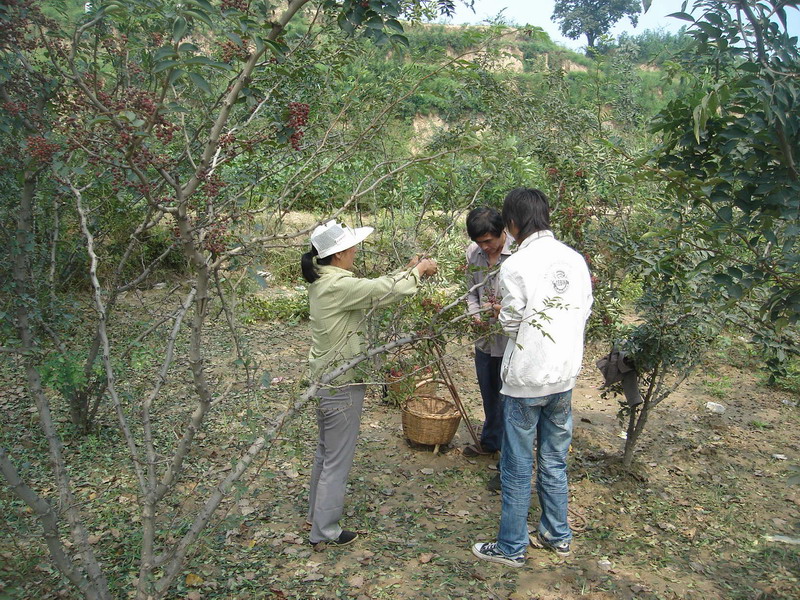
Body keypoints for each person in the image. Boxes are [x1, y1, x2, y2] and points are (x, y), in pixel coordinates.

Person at [472, 188, 593, 567]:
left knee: (518, 465)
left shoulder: (516, 265)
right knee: (554, 459)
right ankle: (557, 534)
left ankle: (511, 546)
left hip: (525, 380)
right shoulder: (574, 260)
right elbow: (583, 311)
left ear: (512, 223)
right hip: (563, 377)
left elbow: (509, 322)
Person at [300, 219, 438, 548]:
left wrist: (409, 270)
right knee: (337, 458)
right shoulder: (337, 286)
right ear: (340, 253)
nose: (355, 250)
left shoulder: (325, 280)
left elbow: (373, 286)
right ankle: (324, 530)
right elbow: (380, 290)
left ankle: (315, 515)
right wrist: (417, 271)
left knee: (326, 452)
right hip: (341, 385)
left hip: (326, 379)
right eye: (352, 247)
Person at [463, 207, 513, 492]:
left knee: (510, 400)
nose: (485, 247)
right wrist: (475, 313)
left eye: (489, 241)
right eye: (480, 242)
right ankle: (490, 440)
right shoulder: (474, 253)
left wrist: (500, 310)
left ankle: (508, 463)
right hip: (485, 339)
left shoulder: (519, 255)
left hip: (510, 341)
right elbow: (471, 290)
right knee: (488, 392)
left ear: (502, 232)